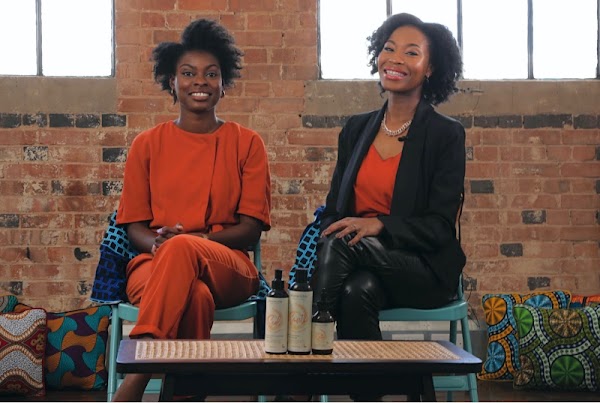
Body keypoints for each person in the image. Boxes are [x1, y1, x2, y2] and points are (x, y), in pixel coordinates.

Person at [112, 18, 271, 401]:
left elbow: (250, 229)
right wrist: (158, 246)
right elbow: (133, 225)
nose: (200, 81)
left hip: (227, 263)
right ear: (172, 82)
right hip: (154, 264)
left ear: (222, 84)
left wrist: (193, 241)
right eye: (188, 73)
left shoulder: (247, 143)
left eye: (210, 74)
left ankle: (137, 374)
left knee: (183, 250)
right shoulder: (147, 145)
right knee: (194, 296)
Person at [312, 13, 465, 343]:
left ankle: (303, 352)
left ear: (431, 68)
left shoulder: (445, 135)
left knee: (342, 245)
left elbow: (439, 227)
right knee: (356, 291)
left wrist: (380, 224)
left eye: (411, 53)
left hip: (422, 268)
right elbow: (333, 211)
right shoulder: (355, 130)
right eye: (389, 49)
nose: (395, 59)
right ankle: (386, 388)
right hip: (359, 268)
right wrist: (338, 227)